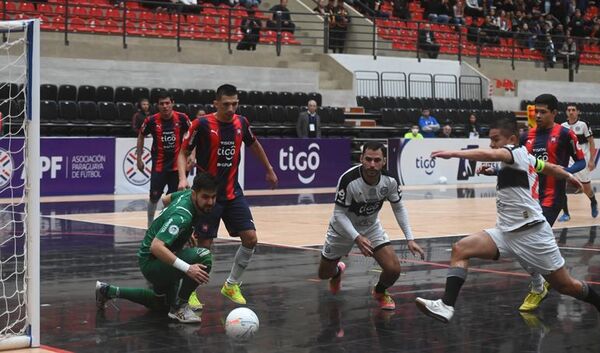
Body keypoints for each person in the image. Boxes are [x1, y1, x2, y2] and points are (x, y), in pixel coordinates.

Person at [414, 118, 600, 323]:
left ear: (511, 139)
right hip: (505, 233)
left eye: (496, 139)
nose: (493, 145)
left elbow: (492, 154)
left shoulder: (513, 152)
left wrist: (454, 153)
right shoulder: (525, 157)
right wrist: (567, 175)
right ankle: (446, 306)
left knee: (566, 286)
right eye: (490, 140)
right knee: (461, 248)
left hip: (533, 234)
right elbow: (548, 167)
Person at [177, 84, 278, 305]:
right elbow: (183, 153)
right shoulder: (202, 124)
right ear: (215, 103)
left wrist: (269, 169)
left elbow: (254, 145)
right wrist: (183, 178)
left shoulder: (241, 122)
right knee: (204, 247)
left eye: (235, 104)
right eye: (226, 104)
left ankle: (231, 285)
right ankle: (189, 291)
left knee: (250, 239)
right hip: (207, 194)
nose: (231, 108)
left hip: (233, 191)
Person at [95, 172, 218, 323]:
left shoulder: (186, 195)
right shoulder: (182, 216)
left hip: (153, 257)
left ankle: (107, 291)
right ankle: (180, 307)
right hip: (153, 261)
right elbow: (156, 247)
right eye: (205, 197)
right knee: (204, 256)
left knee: (160, 304)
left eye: (213, 197)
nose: (210, 202)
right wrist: (188, 268)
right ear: (194, 194)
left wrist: (180, 232)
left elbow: (166, 199)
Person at [318, 142, 425, 310]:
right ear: (361, 159)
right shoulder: (348, 180)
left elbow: (399, 207)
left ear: (384, 161)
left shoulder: (390, 181)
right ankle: (337, 271)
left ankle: (380, 292)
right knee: (324, 274)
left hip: (370, 227)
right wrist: (357, 238)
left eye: (377, 160)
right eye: (368, 159)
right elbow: (338, 214)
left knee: (393, 269)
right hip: (341, 230)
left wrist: (410, 238)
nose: (372, 164)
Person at [519, 93, 585, 312]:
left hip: (551, 198)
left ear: (554, 113)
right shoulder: (526, 136)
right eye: (535, 111)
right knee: (526, 242)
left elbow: (581, 161)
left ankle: (539, 286)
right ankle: (546, 280)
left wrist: (564, 172)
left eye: (542, 112)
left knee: (530, 239)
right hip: (528, 199)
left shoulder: (565, 134)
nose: (537, 115)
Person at [137, 93, 192, 228]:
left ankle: (169, 224)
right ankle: (150, 224)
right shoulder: (151, 121)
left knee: (174, 198)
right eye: (162, 104)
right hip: (159, 165)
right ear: (158, 105)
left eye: (167, 103)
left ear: (172, 103)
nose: (165, 106)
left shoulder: (182, 118)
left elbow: (192, 134)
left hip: (177, 166)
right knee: (154, 197)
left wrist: (191, 155)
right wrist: (139, 158)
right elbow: (141, 136)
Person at [559, 104, 597, 221]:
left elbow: (591, 143)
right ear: (566, 112)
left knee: (587, 189)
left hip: (582, 161)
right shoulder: (562, 126)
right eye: (569, 110)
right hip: (567, 161)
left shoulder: (583, 125)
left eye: (573, 110)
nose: (571, 112)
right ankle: (566, 213)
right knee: (560, 186)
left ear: (578, 112)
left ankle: (593, 201)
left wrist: (591, 160)